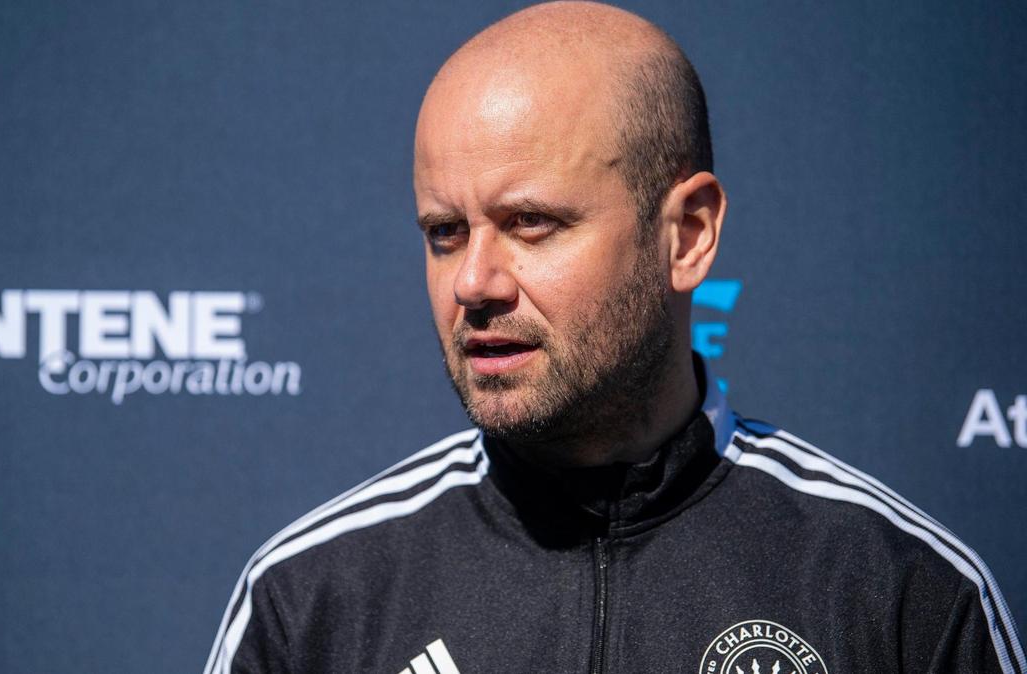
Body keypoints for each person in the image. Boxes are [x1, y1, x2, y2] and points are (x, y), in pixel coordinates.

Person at [204, 3, 1025, 673]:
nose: (472, 282)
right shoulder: (311, 602)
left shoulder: (900, 592)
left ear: (688, 234)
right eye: (445, 231)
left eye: (531, 224)